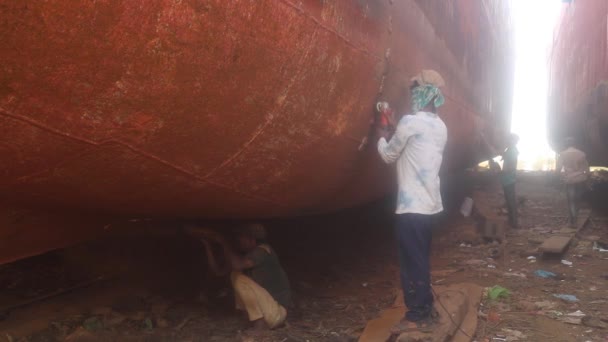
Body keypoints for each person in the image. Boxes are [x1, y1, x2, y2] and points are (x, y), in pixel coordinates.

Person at [376, 69, 448, 333]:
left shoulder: (409, 123)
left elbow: (388, 155)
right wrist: (396, 127)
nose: (411, 96)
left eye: (414, 92)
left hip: (410, 209)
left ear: (422, 94)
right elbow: (415, 143)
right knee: (420, 260)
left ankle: (417, 315)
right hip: (429, 207)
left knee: (410, 263)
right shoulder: (439, 127)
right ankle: (427, 308)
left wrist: (382, 132)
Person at [190, 224, 291, 330]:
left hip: (276, 312)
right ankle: (251, 319)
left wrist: (224, 242)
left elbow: (237, 265)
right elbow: (218, 272)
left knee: (238, 277)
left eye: (241, 238)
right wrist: (208, 246)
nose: (237, 241)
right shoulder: (246, 256)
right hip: (268, 311)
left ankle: (259, 324)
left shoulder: (263, 250)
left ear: (252, 239)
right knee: (235, 275)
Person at [556, 137, 589, 226]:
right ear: (575, 144)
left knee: (571, 200)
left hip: (569, 180)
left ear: (566, 144)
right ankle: (576, 217)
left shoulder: (562, 154)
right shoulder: (582, 154)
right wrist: (587, 177)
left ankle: (573, 220)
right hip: (580, 179)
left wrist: (559, 177)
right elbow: (586, 168)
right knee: (577, 199)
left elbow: (558, 169)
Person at [501, 133, 519, 228]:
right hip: (507, 179)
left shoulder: (512, 151)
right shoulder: (510, 150)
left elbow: (512, 166)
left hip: (509, 179)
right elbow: (501, 154)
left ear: (513, 141)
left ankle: (514, 223)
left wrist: (501, 171)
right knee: (509, 201)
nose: (507, 141)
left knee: (511, 201)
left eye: (509, 139)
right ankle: (511, 221)